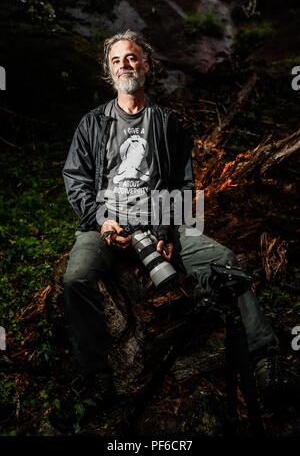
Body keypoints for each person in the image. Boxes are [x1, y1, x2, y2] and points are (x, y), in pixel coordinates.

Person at [61, 30, 290, 418]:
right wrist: (102, 221)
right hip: (107, 218)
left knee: (224, 260)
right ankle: (95, 377)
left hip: (161, 216)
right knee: (76, 278)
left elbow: (184, 185)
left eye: (132, 58)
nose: (125, 66)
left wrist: (167, 231)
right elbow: (76, 180)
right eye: (116, 60)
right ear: (108, 71)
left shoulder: (167, 123)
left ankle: (264, 356)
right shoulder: (92, 124)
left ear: (146, 64)